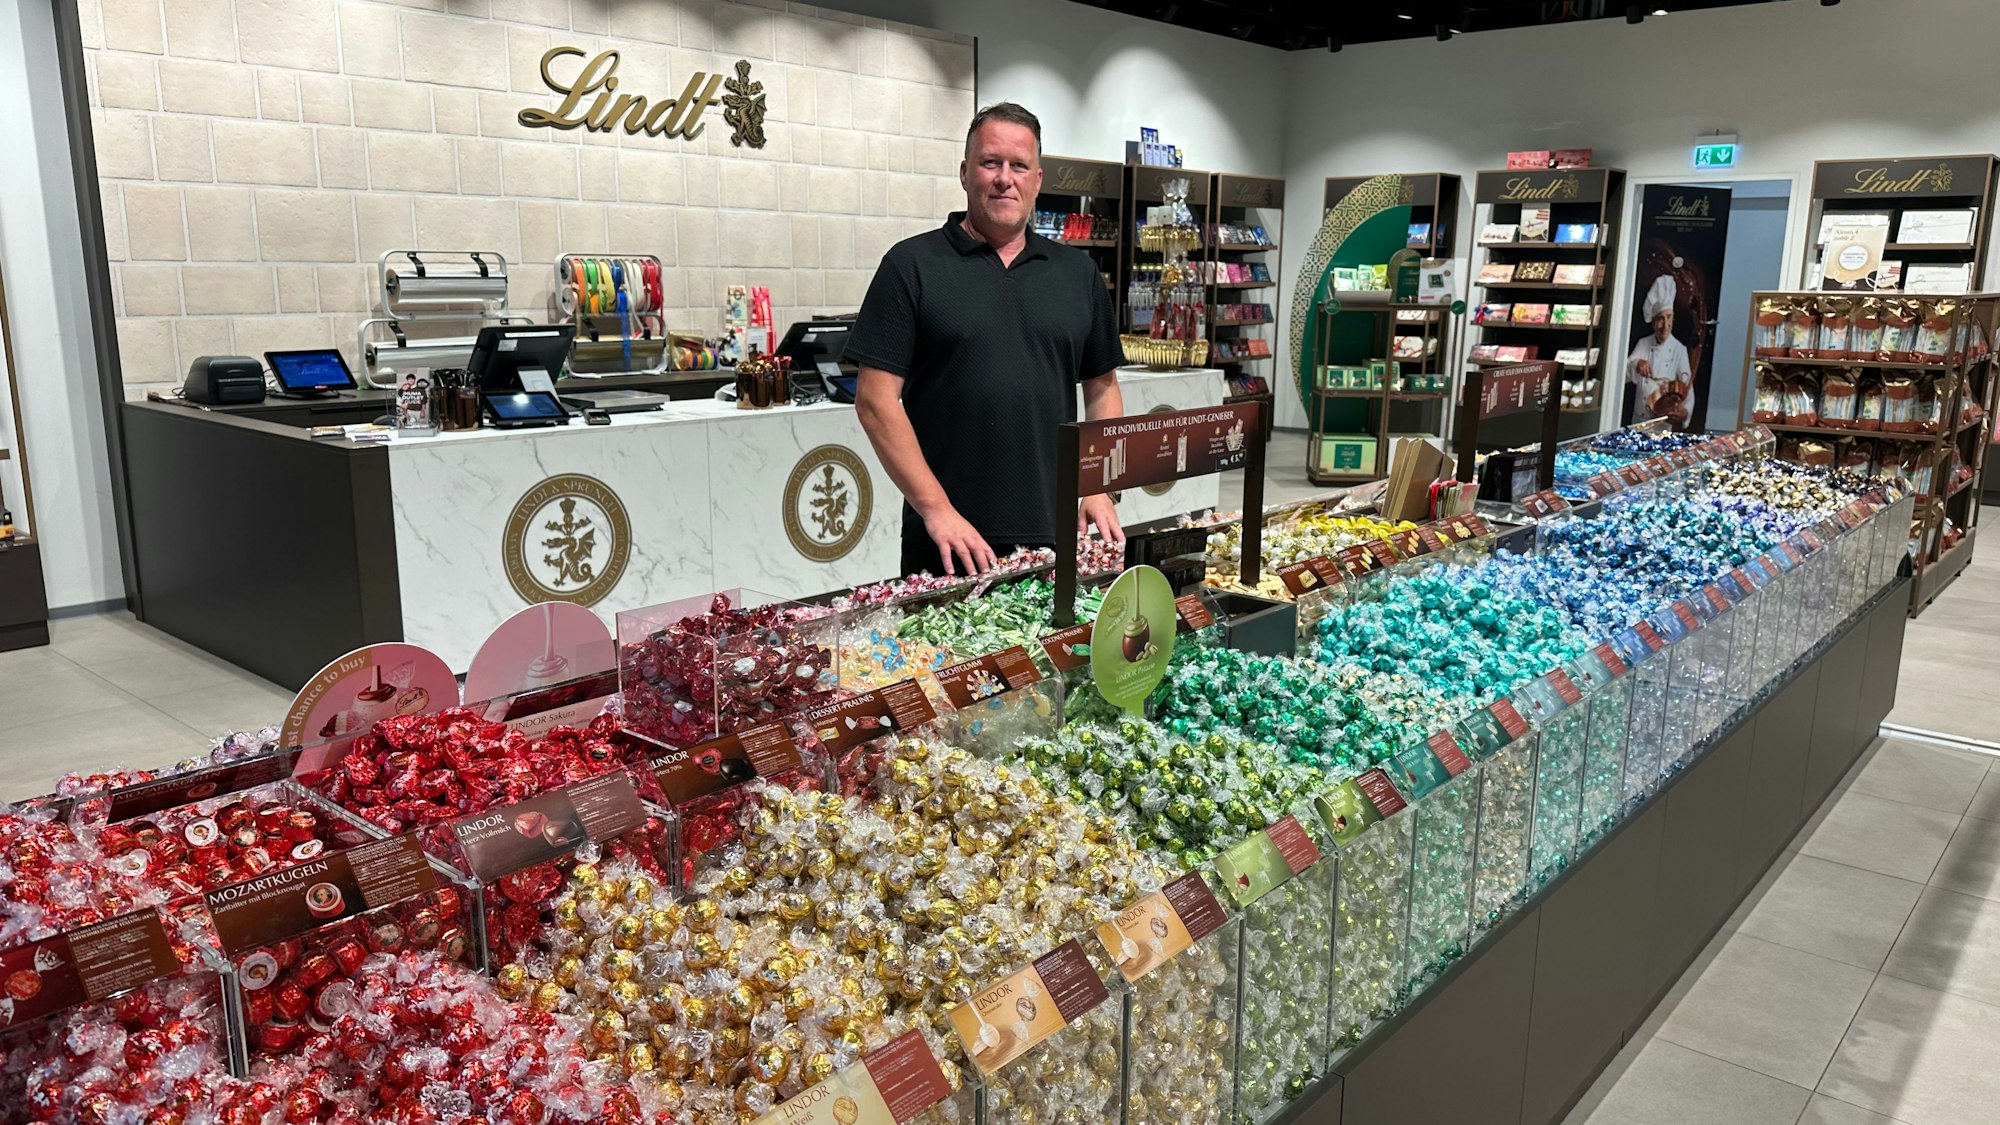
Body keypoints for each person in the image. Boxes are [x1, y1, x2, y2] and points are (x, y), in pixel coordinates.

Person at [847, 102, 1126, 577]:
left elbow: (1102, 388)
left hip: (1056, 531)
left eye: (1019, 165)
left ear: (1038, 180)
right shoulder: (911, 266)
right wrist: (936, 509)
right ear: (964, 172)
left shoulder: (1077, 273)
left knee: (1050, 653)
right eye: (990, 162)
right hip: (947, 539)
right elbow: (875, 401)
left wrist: (1098, 484)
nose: (1004, 178)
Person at [1626, 274, 1694, 428]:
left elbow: (1687, 387)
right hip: (1638, 421)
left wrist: (1685, 413)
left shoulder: (1679, 350)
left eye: (1669, 317)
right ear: (1653, 322)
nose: (1665, 325)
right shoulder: (1643, 344)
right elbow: (1622, 374)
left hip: (1662, 425)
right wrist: (1636, 364)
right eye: (1660, 319)